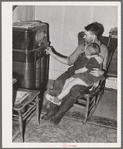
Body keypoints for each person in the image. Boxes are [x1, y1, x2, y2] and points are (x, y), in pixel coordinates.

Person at [42, 22, 108, 124]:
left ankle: (59, 114)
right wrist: (52, 54)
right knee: (59, 82)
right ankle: (52, 111)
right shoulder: (82, 46)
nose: (84, 36)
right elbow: (69, 61)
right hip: (74, 71)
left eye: (86, 34)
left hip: (87, 77)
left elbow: (103, 69)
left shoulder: (103, 49)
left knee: (74, 89)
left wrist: (101, 72)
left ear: (93, 36)